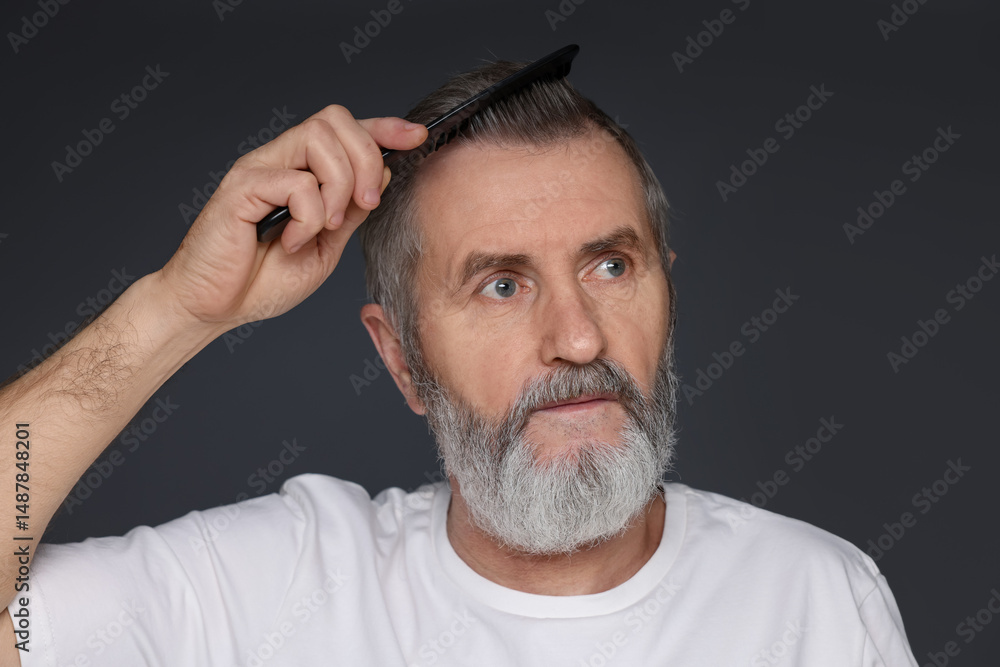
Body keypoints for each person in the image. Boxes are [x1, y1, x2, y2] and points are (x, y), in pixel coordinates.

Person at [0, 59, 918, 666]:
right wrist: (176, 309)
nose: (580, 337)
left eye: (610, 266)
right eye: (502, 286)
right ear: (401, 361)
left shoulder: (815, 602)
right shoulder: (268, 592)